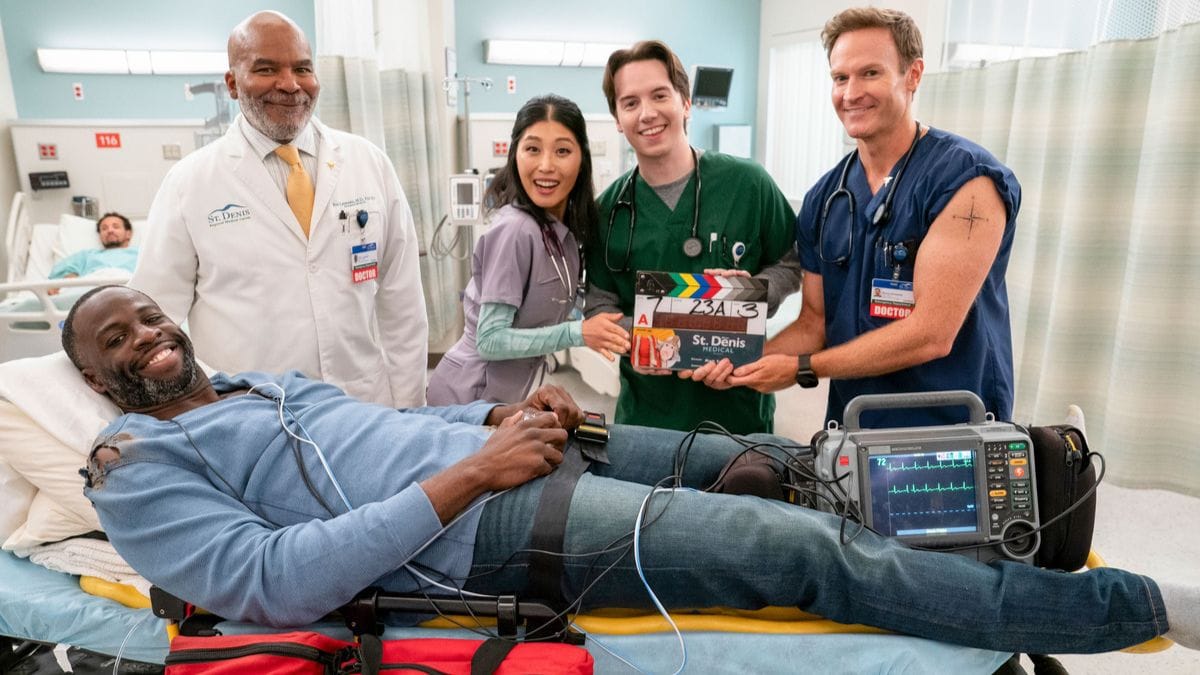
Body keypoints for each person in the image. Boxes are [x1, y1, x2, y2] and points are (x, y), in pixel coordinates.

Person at [65, 285, 1200, 656]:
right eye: (112, 338)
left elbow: (396, 422)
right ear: (100, 382)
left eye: (146, 313)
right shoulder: (132, 464)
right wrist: (476, 477)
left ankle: (1019, 525)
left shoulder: (263, 386)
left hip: (515, 451)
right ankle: (1133, 606)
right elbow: (270, 581)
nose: (142, 334)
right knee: (796, 547)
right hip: (482, 532)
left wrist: (505, 415)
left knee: (781, 463)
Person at [696, 7, 1020, 429]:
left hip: (951, 424)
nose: (851, 93)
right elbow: (814, 323)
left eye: (870, 73)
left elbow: (932, 334)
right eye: (839, 78)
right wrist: (744, 364)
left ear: (913, 75)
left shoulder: (965, 181)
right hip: (856, 421)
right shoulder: (825, 199)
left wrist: (804, 367)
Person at [130, 11, 427, 407]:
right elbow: (154, 322)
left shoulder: (368, 163)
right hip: (253, 413)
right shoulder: (190, 183)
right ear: (233, 84)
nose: (289, 85)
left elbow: (402, 304)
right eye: (266, 69)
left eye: (302, 68)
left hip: (365, 404)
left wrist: (410, 412)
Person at [584, 40, 800, 435]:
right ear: (617, 118)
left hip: (739, 408)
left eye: (659, 95)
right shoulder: (607, 211)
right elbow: (599, 306)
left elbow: (790, 262)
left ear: (685, 103)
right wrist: (653, 338)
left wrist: (752, 294)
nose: (646, 113)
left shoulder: (748, 184)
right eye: (629, 103)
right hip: (648, 418)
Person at [427, 95, 627, 405]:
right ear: (515, 155)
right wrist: (577, 332)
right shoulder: (515, 230)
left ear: (582, 159)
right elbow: (490, 340)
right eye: (532, 149)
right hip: (468, 394)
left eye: (562, 151)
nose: (546, 166)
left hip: (509, 394)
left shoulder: (563, 233)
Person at [47, 212, 138, 295]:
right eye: (104, 228)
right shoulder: (87, 255)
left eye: (116, 226)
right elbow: (61, 271)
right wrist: (68, 279)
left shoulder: (139, 253)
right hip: (91, 287)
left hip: (127, 284)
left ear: (128, 234)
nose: (110, 230)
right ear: (100, 235)